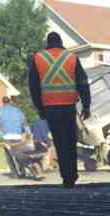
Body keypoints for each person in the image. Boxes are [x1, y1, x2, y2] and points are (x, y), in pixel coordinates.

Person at [29, 32, 91, 188]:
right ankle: (73, 175)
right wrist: (86, 105)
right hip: (69, 106)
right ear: (61, 42)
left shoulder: (38, 58)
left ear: (47, 43)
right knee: (70, 141)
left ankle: (66, 177)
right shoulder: (71, 57)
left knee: (59, 142)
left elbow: (34, 86)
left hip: (50, 107)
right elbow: (83, 82)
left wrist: (39, 108)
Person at [0, 96, 29, 176]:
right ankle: (22, 171)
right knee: (19, 154)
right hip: (17, 137)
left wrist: (0, 136)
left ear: (3, 102)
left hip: (7, 137)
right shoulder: (17, 110)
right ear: (10, 102)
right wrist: (28, 132)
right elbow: (24, 122)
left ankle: (14, 173)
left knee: (9, 156)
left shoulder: (0, 111)